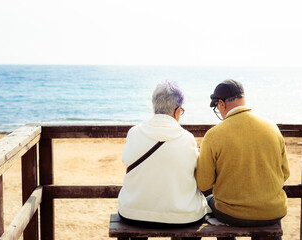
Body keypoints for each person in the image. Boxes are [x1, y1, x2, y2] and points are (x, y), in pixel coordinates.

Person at [195, 79, 290, 240]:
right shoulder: (272, 128)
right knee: (266, 216)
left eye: (217, 107)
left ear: (221, 104)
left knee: (211, 201)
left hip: (232, 214)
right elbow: (285, 173)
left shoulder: (214, 134)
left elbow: (204, 183)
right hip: (273, 211)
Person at [118, 80, 210, 240]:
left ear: (154, 106)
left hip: (134, 213)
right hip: (182, 217)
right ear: (177, 111)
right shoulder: (187, 138)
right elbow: (195, 169)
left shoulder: (134, 133)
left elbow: (126, 160)